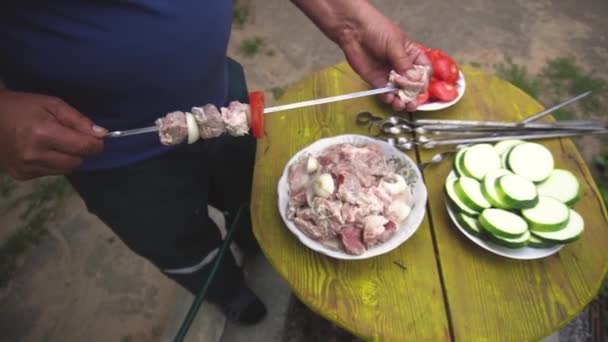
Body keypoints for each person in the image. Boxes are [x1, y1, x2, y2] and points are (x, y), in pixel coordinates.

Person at [0, 0, 430, 325]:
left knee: (248, 191)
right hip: (112, 156)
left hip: (221, 97)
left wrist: (346, 17)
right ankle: (225, 290)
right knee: (177, 239)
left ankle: (254, 239)